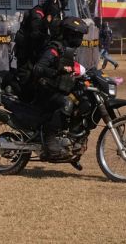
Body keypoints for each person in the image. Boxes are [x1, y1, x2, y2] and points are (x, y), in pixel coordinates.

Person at [32, 17, 88, 157]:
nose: (80, 39)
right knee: (66, 102)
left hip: (58, 88)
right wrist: (57, 71)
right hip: (45, 89)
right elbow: (38, 69)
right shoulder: (54, 49)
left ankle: (74, 138)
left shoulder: (68, 50)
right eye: (78, 35)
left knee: (82, 100)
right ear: (69, 34)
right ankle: (50, 137)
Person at [13, 0, 74, 100]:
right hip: (28, 55)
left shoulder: (59, 13)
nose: (65, 2)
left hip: (43, 53)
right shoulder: (38, 12)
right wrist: (50, 16)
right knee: (28, 87)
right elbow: (36, 34)